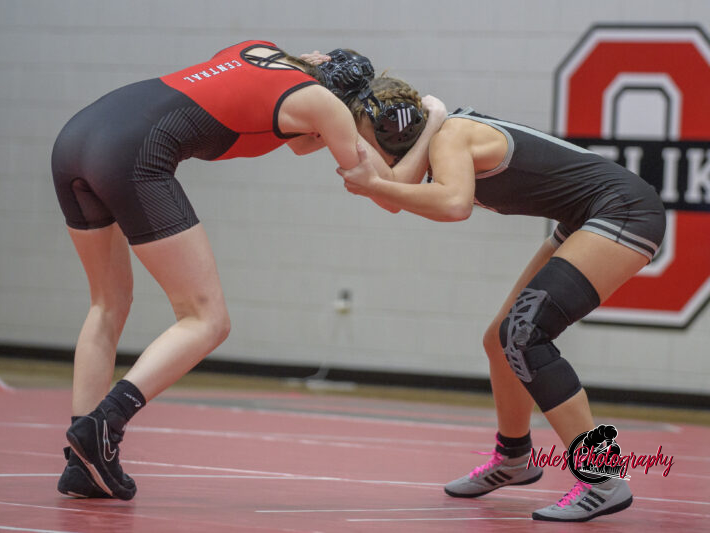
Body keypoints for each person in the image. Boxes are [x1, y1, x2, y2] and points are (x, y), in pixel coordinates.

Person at [50, 41, 444, 500]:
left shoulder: (258, 49)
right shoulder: (324, 105)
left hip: (77, 136)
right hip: (132, 154)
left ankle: (81, 463)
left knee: (108, 301)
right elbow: (388, 192)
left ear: (317, 59)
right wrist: (433, 117)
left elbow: (280, 128)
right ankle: (104, 425)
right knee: (207, 319)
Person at [338, 75, 666, 522]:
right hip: (590, 215)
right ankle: (514, 458)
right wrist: (387, 171)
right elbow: (396, 193)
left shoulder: (451, 136)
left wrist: (375, 182)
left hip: (624, 211)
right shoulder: (438, 134)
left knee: (525, 334)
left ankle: (602, 477)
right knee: (501, 339)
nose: (359, 151)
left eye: (361, 141)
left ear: (392, 134)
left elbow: (452, 205)